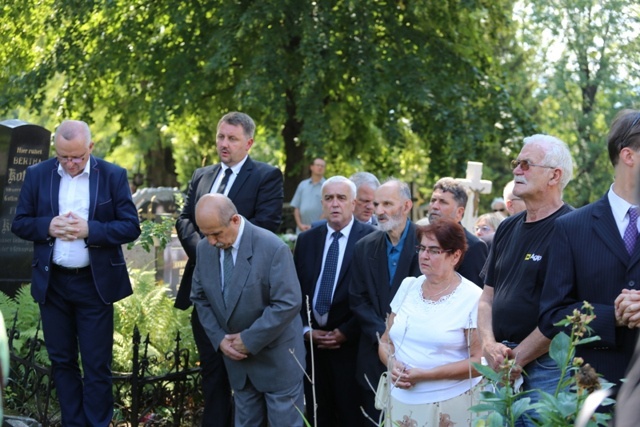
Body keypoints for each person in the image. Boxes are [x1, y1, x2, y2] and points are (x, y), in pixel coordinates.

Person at [11, 120, 141, 426]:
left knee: (96, 366)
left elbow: (130, 226)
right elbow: (20, 222)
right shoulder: (37, 174)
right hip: (53, 282)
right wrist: (47, 226)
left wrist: (89, 229)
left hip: (94, 284)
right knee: (62, 362)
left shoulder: (112, 175)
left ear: (91, 148)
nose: (70, 164)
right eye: (63, 157)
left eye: (77, 157)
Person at [175, 112, 283, 427]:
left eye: (232, 138)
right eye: (221, 136)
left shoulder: (265, 176)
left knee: (249, 380)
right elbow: (184, 219)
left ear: (248, 143)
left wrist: (219, 249)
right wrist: (205, 250)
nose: (224, 144)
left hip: (245, 294)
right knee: (212, 376)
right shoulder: (201, 175)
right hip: (205, 292)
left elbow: (265, 226)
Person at [540, 110, 640, 393]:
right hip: (594, 395)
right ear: (628, 156)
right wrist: (613, 318)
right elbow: (552, 317)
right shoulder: (571, 228)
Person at [479, 134, 574, 427]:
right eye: (516, 163)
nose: (516, 170)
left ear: (554, 176)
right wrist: (489, 345)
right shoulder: (506, 228)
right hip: (501, 361)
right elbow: (486, 298)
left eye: (526, 164)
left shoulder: (573, 228)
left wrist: (518, 357)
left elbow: (566, 313)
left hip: (545, 366)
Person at [191, 194, 305, 427]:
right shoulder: (204, 249)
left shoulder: (273, 247)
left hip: (277, 361)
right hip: (237, 363)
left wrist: (249, 339)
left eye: (216, 234)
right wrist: (219, 339)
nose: (211, 241)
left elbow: (288, 303)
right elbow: (199, 297)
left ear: (234, 220)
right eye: (205, 234)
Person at [378, 219, 482, 425]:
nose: (424, 256)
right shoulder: (408, 286)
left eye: (434, 251)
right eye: (422, 248)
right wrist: (392, 363)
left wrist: (426, 375)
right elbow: (385, 341)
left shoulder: (472, 296)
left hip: (448, 406)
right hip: (399, 401)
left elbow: (479, 361)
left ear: (455, 255)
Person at [293, 176, 375, 426]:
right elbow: (295, 290)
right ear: (322, 203)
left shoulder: (370, 240)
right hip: (312, 348)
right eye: (329, 198)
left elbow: (373, 296)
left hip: (350, 347)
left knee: (351, 415)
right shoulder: (307, 239)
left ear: (353, 203)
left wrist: (346, 332)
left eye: (341, 198)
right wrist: (306, 330)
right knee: (318, 415)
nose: (335, 204)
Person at [349, 178, 421, 423]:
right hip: (372, 353)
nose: (379, 211)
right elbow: (358, 299)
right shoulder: (364, 247)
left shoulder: (428, 243)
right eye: (376, 204)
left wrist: (395, 334)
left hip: (416, 357)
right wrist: (382, 335)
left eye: (387, 204)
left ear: (406, 205)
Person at [427, 178, 488, 287]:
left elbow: (474, 294)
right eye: (433, 200)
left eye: (443, 202)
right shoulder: (422, 240)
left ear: (459, 212)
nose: (435, 206)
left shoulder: (473, 247)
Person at [291, 158, 326, 233]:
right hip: (301, 230)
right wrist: (300, 225)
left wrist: (315, 226)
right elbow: (296, 207)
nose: (320, 167)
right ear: (311, 167)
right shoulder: (302, 185)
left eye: (322, 166)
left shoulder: (327, 186)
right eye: (318, 165)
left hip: (319, 230)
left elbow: (328, 209)